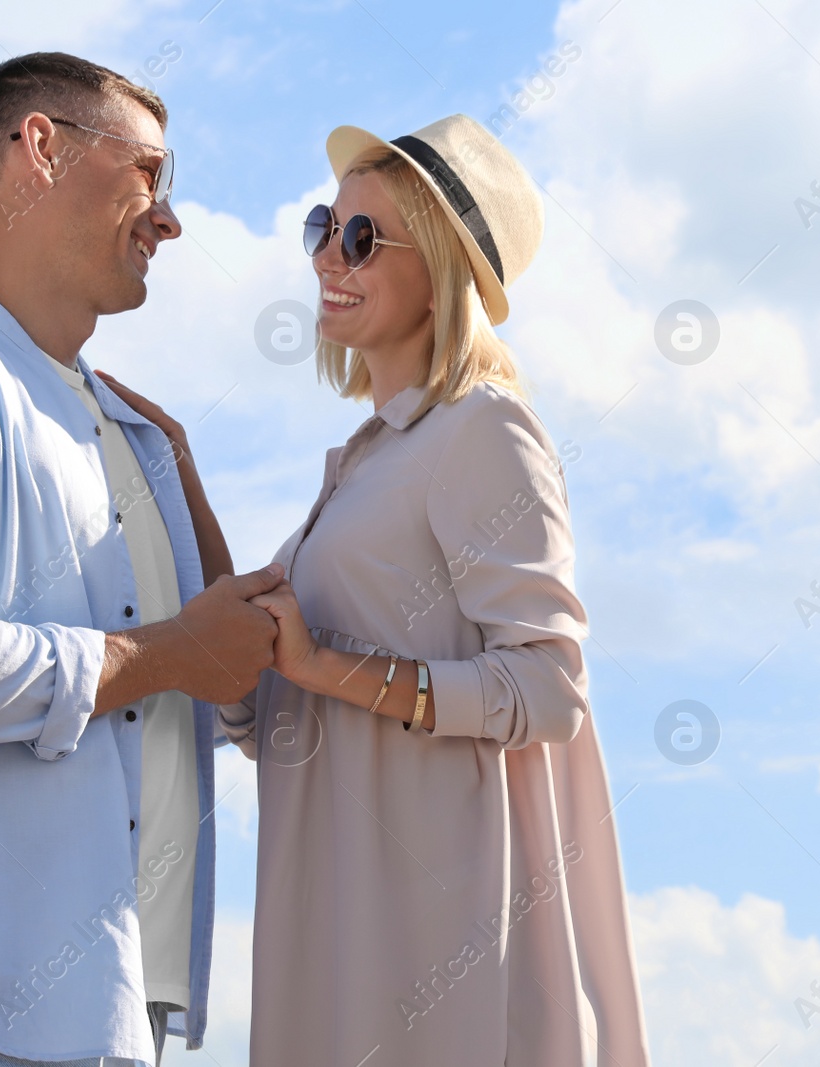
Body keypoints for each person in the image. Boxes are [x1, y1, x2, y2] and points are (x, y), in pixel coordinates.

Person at [0, 52, 282, 1067]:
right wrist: (163, 653)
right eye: (151, 172)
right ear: (39, 149)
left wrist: (187, 493)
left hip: (120, 1018)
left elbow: (231, 683)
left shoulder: (140, 436)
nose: (168, 218)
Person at [235, 115, 651, 1065]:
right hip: (339, 939)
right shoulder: (364, 465)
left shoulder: (482, 430)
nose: (328, 259)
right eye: (321, 229)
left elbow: (548, 688)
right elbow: (297, 708)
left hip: (434, 954)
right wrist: (238, 673)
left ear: (444, 271)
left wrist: (325, 665)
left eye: (362, 238)